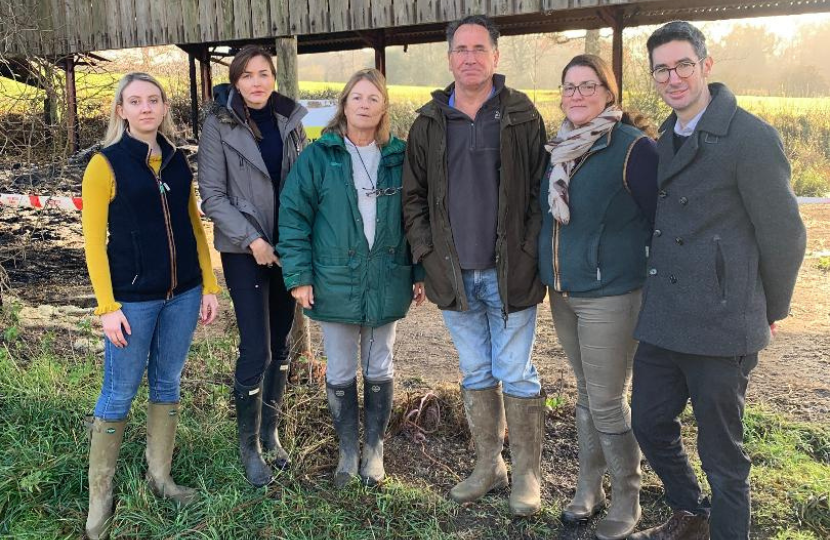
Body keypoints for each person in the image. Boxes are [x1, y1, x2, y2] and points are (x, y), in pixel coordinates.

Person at [628, 21, 807, 540]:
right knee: (648, 422)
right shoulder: (665, 135)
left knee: (722, 452)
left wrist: (768, 310)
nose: (673, 77)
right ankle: (691, 512)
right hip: (663, 319)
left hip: (723, 321)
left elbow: (785, 235)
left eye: (683, 64)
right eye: (662, 69)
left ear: (706, 65)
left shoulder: (750, 137)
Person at [402, 14, 548, 516]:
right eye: (460, 49)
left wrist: (529, 253)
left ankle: (527, 475)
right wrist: (425, 254)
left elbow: (539, 195)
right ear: (449, 58)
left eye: (478, 48)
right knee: (475, 369)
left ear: (496, 56)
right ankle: (489, 466)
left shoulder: (522, 115)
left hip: (511, 272)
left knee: (517, 370)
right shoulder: (428, 121)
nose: (469, 57)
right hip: (454, 273)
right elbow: (413, 196)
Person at [81, 72, 220, 540]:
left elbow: (194, 226)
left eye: (153, 100)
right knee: (119, 392)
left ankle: (159, 478)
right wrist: (107, 306)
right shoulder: (105, 165)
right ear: (121, 110)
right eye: (135, 101)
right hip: (131, 302)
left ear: (163, 108)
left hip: (182, 294)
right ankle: (99, 497)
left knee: (167, 381)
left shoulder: (179, 163)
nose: (145, 108)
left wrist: (208, 284)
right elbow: (93, 245)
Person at [278, 68, 425, 487]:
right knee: (341, 367)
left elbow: (417, 217)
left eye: (373, 99)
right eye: (357, 97)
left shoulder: (399, 156)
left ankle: (374, 451)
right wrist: (299, 276)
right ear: (344, 104)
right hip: (334, 278)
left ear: (384, 108)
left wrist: (419, 271)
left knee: (379, 364)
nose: (365, 105)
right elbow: (293, 216)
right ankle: (347, 450)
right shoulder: (319, 156)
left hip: (385, 276)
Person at [539, 54, 658, 540]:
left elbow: (662, 221)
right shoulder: (559, 147)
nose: (579, 95)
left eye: (590, 86)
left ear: (609, 93)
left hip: (611, 293)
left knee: (607, 400)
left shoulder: (633, 148)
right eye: (570, 87)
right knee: (586, 394)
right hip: (563, 292)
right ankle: (588, 488)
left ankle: (627, 497)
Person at [197, 44, 307, 487]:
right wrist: (253, 239)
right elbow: (213, 196)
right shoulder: (218, 125)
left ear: (274, 79)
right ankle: (249, 447)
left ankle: (271, 431)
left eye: (264, 74)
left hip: (289, 249)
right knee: (256, 348)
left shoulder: (291, 121)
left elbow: (301, 182)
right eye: (248, 76)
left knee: (281, 345)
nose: (257, 83)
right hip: (245, 251)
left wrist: (298, 241)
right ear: (236, 82)